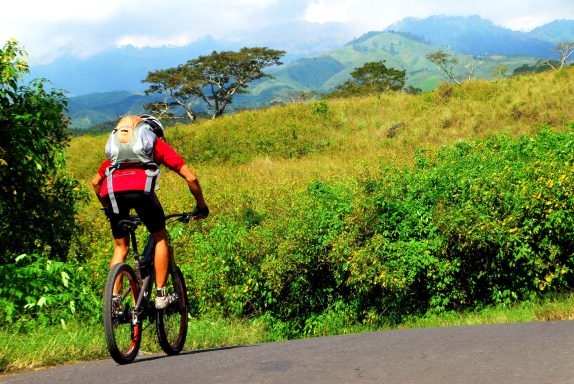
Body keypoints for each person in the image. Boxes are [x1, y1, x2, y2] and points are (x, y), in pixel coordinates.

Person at [92, 114, 208, 309]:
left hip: (112, 194)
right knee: (160, 238)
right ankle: (161, 295)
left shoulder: (116, 158)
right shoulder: (156, 145)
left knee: (121, 248)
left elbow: (96, 182)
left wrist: (108, 209)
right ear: (153, 135)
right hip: (142, 193)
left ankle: (114, 300)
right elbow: (191, 178)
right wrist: (201, 206)